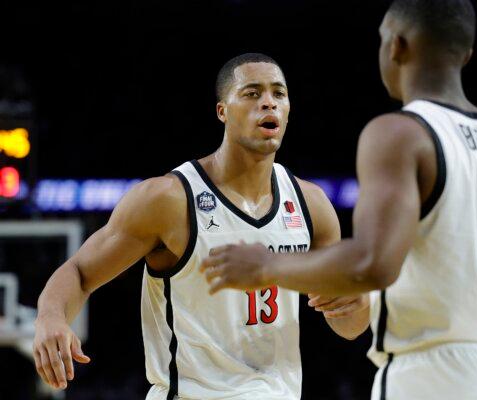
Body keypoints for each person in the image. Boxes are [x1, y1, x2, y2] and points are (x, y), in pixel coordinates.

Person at [200, 2, 477, 399]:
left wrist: (268, 265)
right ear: (465, 54)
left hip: (434, 376)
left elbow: (372, 264)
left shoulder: (399, 133)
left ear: (396, 46)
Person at [32, 53, 369, 399]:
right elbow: (79, 272)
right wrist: (51, 318)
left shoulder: (311, 205)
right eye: (252, 93)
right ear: (222, 111)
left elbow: (348, 328)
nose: (268, 103)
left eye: (278, 94)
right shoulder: (168, 200)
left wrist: (356, 304)